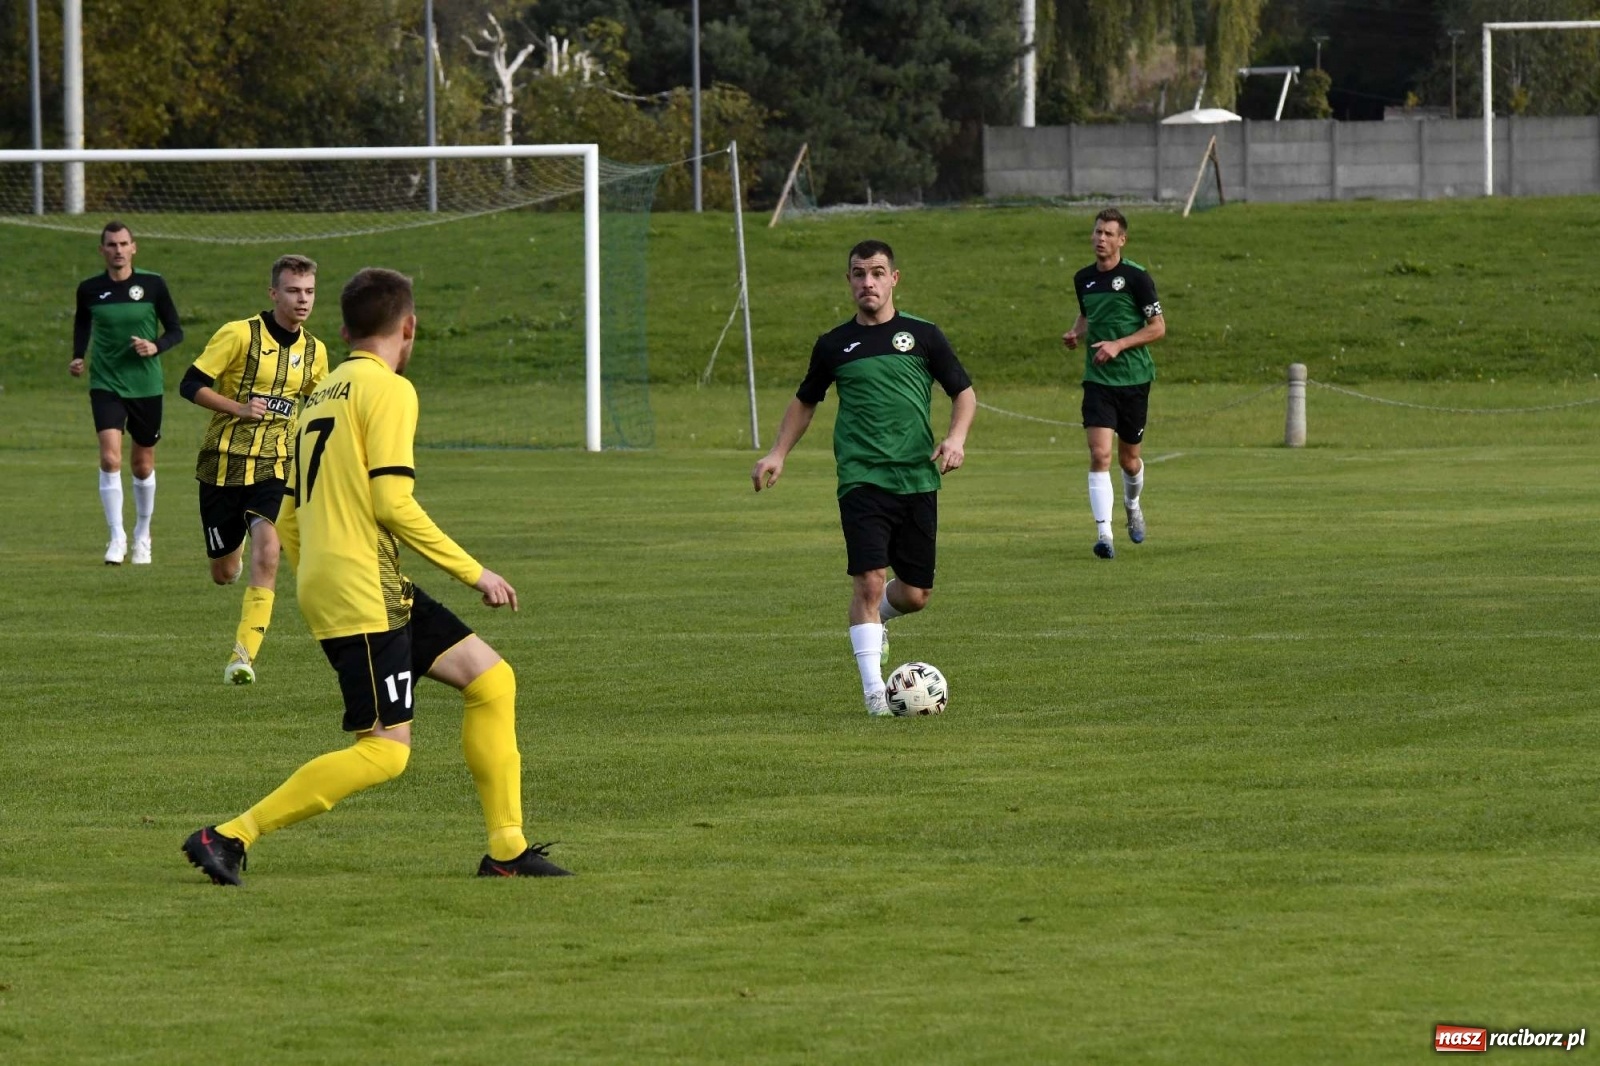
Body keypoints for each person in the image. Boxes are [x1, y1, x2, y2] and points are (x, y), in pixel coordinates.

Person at [182, 267, 571, 884]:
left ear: (342, 328)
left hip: (362, 582)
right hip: (361, 589)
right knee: (385, 752)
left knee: (492, 681)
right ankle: (228, 835)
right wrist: (477, 573)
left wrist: (321, 576)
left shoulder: (322, 392)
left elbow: (288, 513)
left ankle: (506, 849)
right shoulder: (389, 390)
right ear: (409, 327)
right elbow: (392, 503)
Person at [751, 240, 976, 717]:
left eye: (876, 273)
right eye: (858, 273)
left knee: (915, 595)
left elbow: (964, 393)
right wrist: (777, 452)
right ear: (849, 281)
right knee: (869, 583)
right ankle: (876, 694)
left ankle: (879, 623)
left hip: (917, 478)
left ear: (895, 278)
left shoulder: (923, 335)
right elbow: (805, 401)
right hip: (861, 479)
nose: (867, 282)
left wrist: (955, 439)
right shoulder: (834, 345)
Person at [181, 255, 328, 685]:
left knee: (270, 551)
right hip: (221, 465)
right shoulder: (238, 335)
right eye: (293, 291)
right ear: (273, 294)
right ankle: (233, 550)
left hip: (275, 466)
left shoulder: (315, 352)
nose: (303, 300)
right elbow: (190, 384)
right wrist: (239, 409)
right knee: (224, 574)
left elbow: (321, 405)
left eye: (309, 292)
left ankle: (241, 657)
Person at [70, 221, 184, 565]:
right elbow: (82, 323)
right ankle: (116, 536)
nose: (118, 250)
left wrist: (156, 346)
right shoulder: (89, 289)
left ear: (134, 247)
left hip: (146, 386)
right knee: (109, 458)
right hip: (106, 384)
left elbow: (176, 330)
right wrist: (77, 355)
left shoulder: (152, 284)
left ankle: (142, 534)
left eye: (123, 243)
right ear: (102, 250)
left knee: (142, 464)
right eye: (111, 244)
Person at [1062, 207, 1166, 560]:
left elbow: (1158, 328)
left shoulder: (1137, 278)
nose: (1100, 239)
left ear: (1122, 239)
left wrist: (1119, 344)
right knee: (1099, 454)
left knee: (1129, 460)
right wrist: (1077, 331)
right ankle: (1104, 534)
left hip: (1134, 379)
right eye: (1097, 232)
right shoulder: (1083, 279)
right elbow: (1089, 315)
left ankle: (1132, 504)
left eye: (1108, 233)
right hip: (1098, 380)